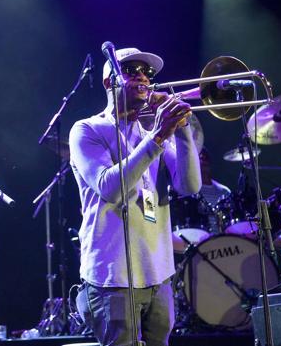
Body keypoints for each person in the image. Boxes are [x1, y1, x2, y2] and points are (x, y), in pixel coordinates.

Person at [70, 47, 201, 346]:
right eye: (131, 70)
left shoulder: (151, 133)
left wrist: (181, 132)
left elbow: (190, 186)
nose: (143, 76)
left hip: (159, 274)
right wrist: (158, 135)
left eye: (148, 72)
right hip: (112, 277)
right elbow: (110, 188)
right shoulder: (87, 129)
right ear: (109, 81)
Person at [197, 147, 231, 235]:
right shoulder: (190, 192)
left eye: (205, 158)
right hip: (200, 239)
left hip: (223, 239)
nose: (203, 161)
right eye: (200, 158)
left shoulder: (224, 191)